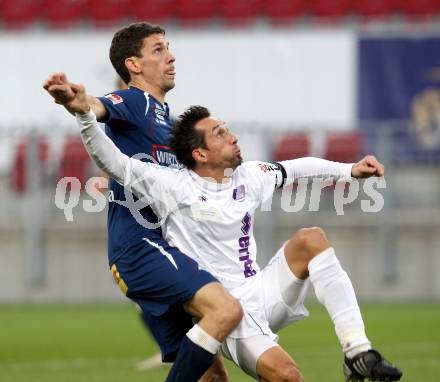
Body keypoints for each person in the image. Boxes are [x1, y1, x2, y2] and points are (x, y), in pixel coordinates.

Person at [67, 81, 403, 382]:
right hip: (227, 312)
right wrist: (85, 116)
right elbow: (116, 163)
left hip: (261, 289)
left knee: (311, 239)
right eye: (220, 134)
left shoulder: (249, 175)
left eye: (227, 130)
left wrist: (350, 170)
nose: (233, 137)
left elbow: (296, 168)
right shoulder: (172, 185)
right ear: (200, 154)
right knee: (288, 376)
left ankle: (357, 352)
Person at [43, 22, 243, 382]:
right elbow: (98, 105)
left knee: (211, 375)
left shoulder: (166, 118)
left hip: (162, 248)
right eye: (159, 50)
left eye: (168, 47)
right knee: (225, 310)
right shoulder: (136, 101)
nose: (171, 56)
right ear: (134, 65)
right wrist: (77, 103)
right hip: (140, 249)